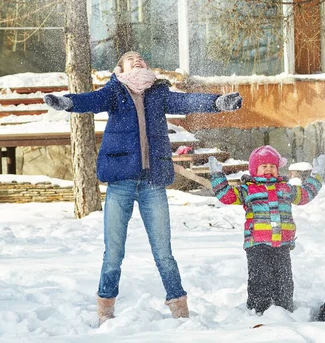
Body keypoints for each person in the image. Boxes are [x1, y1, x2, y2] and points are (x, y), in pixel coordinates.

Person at [43, 51, 243, 325]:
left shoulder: (158, 93)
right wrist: (66, 102)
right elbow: (89, 100)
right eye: (130, 58)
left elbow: (186, 101)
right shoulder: (114, 92)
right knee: (113, 251)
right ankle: (105, 310)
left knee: (163, 252)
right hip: (121, 182)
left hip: (153, 183)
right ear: (120, 68)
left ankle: (180, 311)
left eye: (140, 58)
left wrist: (218, 102)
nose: (137, 60)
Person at [207, 145, 325, 314]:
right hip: (257, 244)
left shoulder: (285, 188)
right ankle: (258, 308)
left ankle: (284, 308)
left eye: (272, 166)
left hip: (282, 244)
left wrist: (317, 175)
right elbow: (226, 195)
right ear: (255, 170)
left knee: (283, 279)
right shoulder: (247, 189)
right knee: (260, 277)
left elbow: (305, 195)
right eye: (264, 166)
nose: (269, 169)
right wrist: (217, 175)